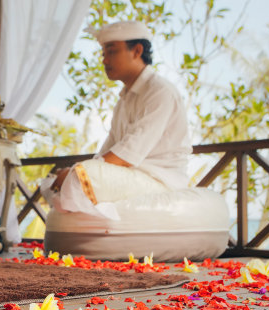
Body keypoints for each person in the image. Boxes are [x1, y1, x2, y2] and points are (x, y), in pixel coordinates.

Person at [42, 21, 192, 213]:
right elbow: (109, 150)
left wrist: (76, 172)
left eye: (111, 52)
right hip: (130, 177)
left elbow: (128, 154)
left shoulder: (160, 91)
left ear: (137, 51)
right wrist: (75, 171)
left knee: (79, 176)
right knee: (57, 177)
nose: (104, 61)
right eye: (104, 54)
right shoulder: (124, 99)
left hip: (161, 181)